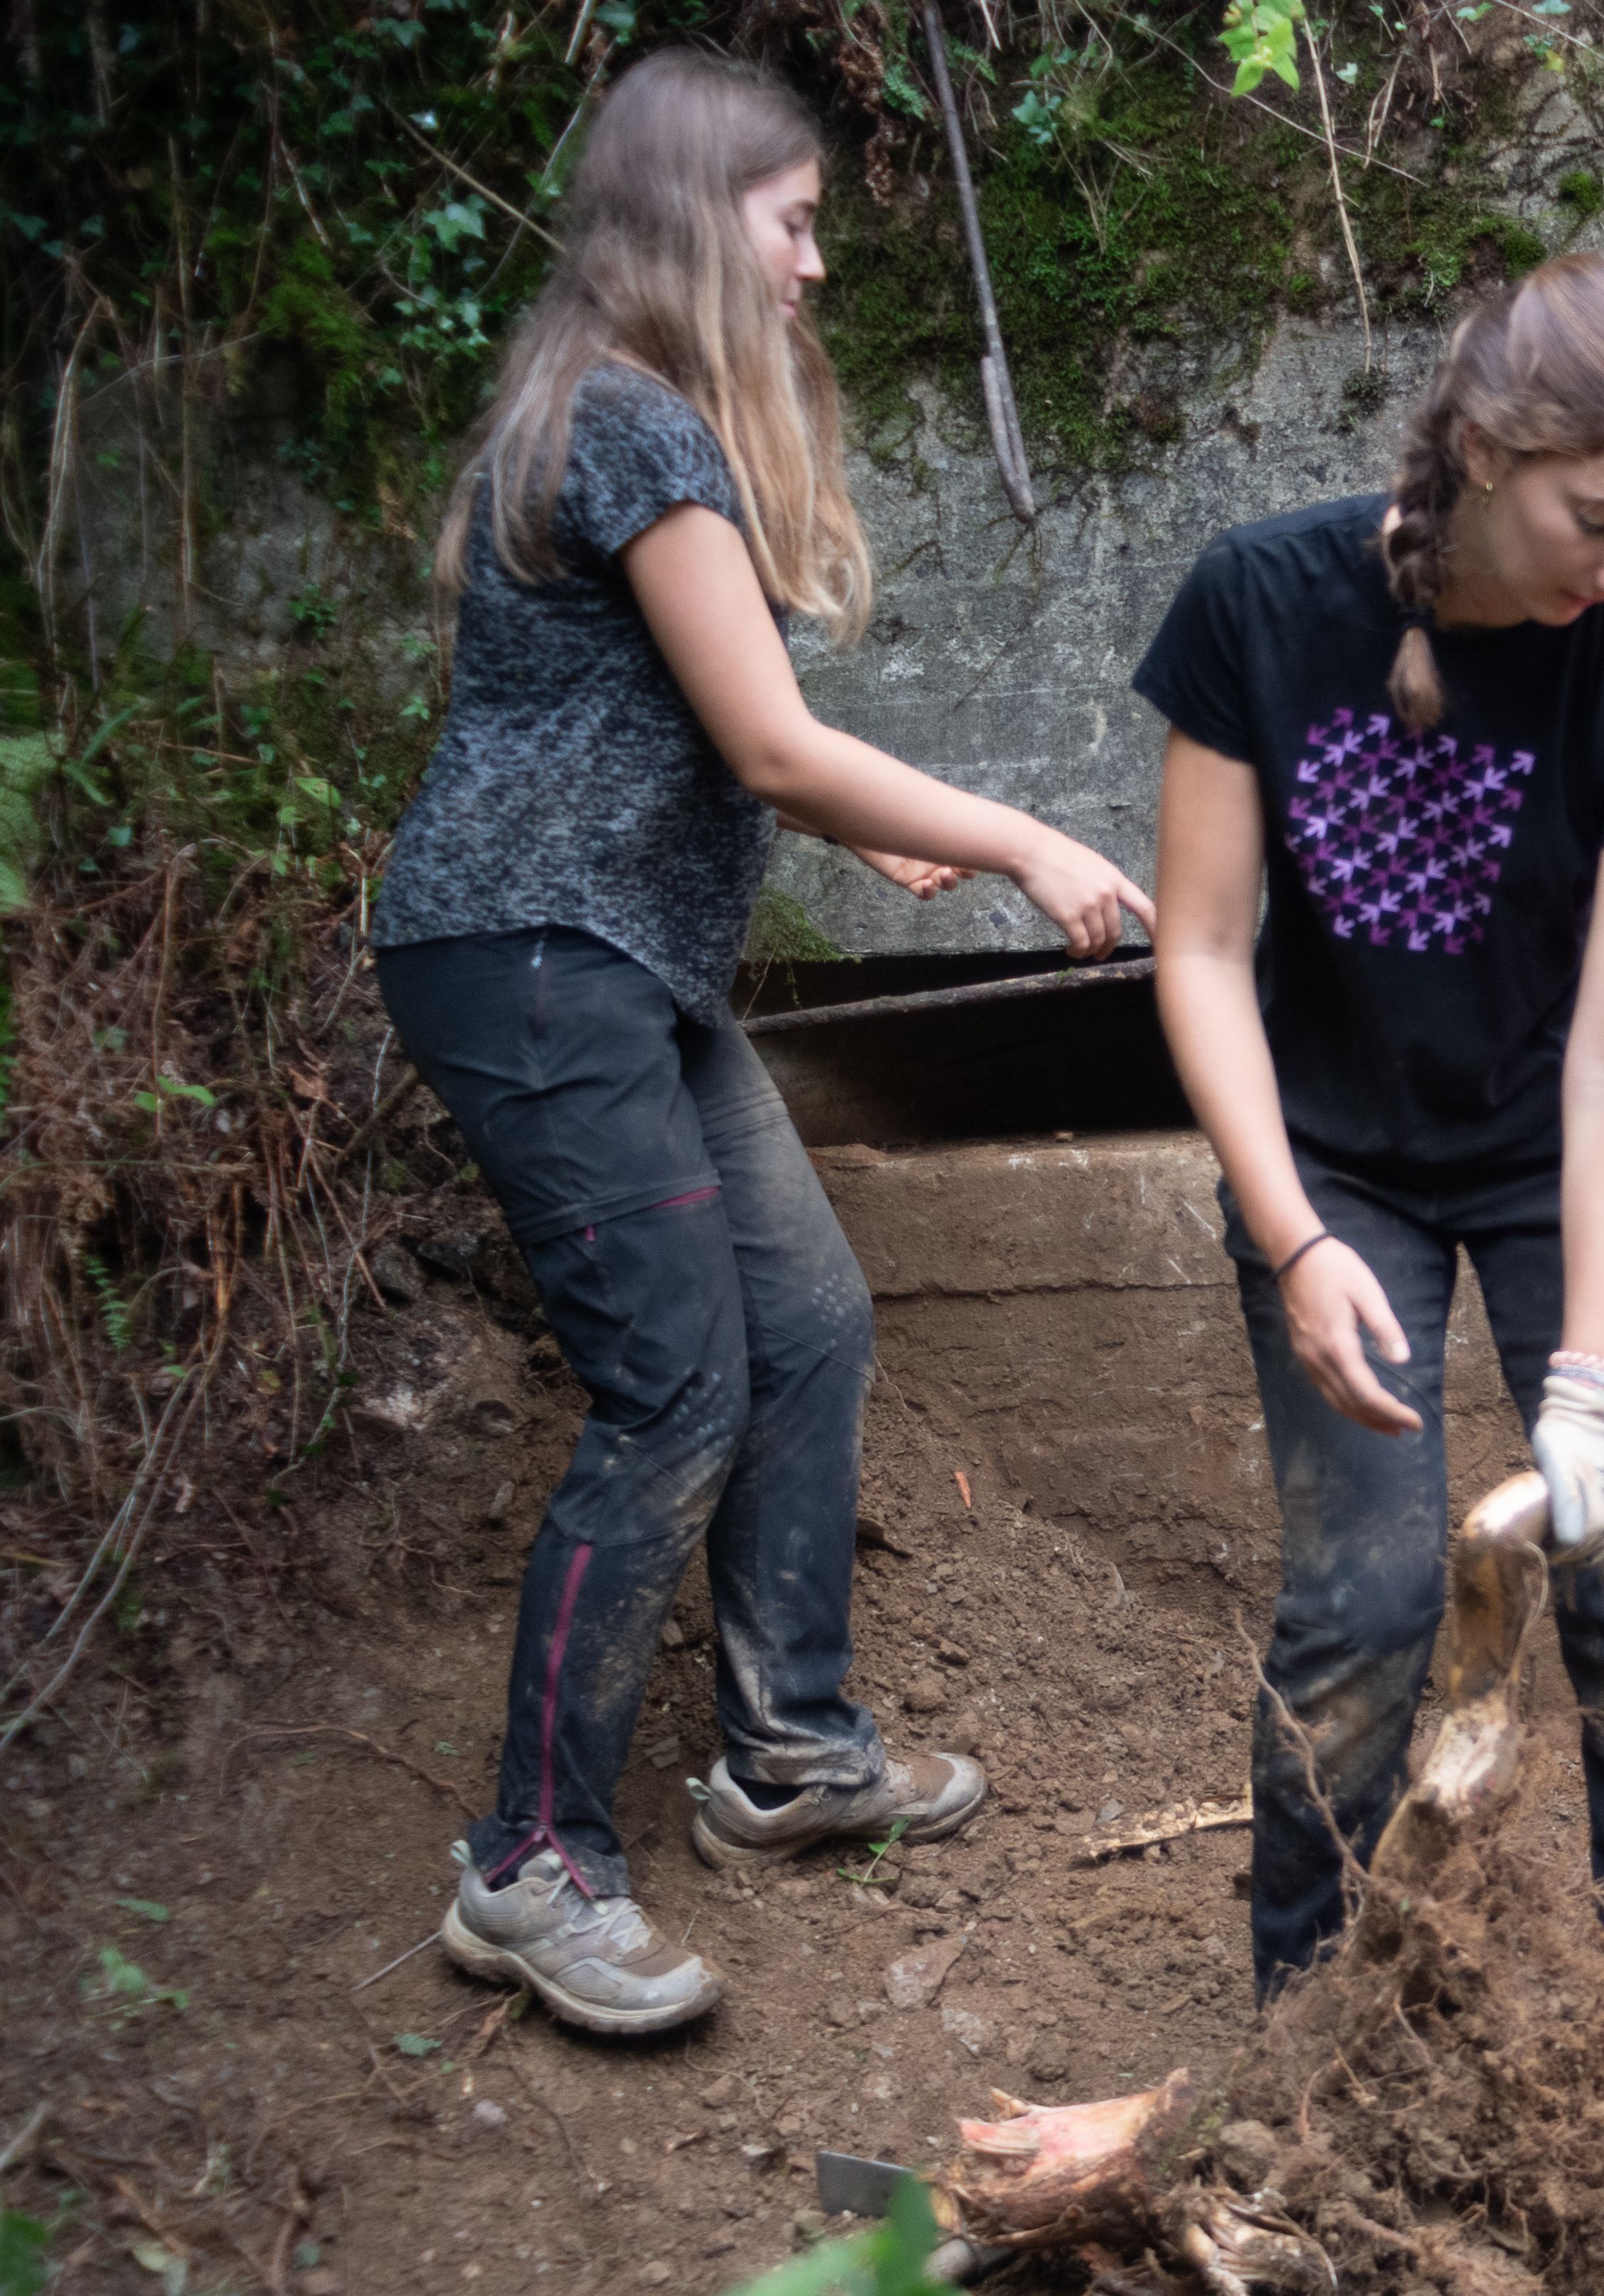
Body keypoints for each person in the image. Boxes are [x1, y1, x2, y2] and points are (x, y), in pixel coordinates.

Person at [373, 48, 1151, 2036]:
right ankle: (529, 1866)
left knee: (803, 1326)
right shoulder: (630, 426)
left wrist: (884, 837)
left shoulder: (620, 419)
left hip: (620, 965)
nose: (813, 265)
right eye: (793, 224)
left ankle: (788, 1748)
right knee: (671, 1390)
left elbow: (718, 751)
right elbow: (769, 742)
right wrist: (1018, 840)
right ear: (698, 221)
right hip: (535, 962)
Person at [1141, 255, 1604, 2153]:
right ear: (1489, 448)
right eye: (1603, 521)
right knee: (1361, 1605)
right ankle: (1305, 2055)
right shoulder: (1259, 605)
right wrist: (1291, 1234)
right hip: (1329, 1163)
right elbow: (1201, 947)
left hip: (1550, 1153)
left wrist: (1586, 1391)